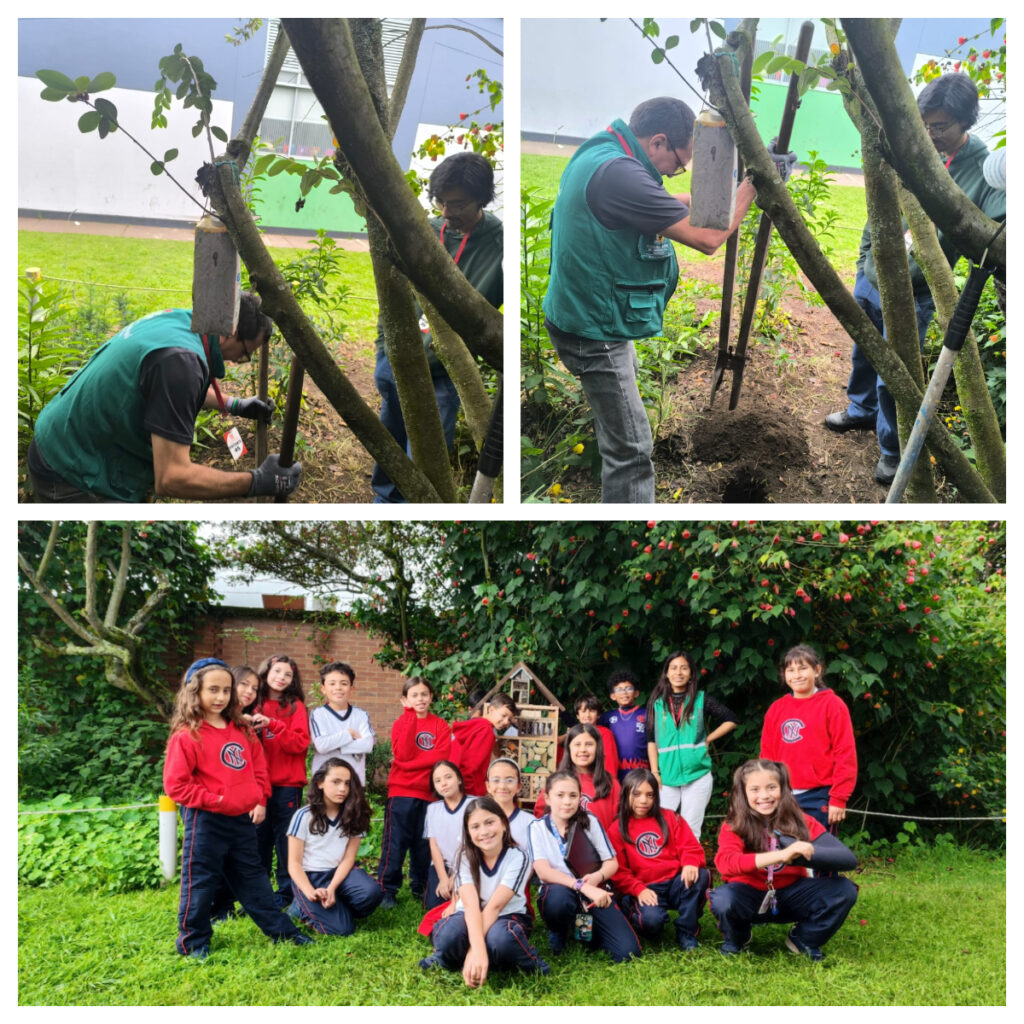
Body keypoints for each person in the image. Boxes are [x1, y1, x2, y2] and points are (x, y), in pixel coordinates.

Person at [542, 96, 760, 502]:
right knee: (632, 448)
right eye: (678, 164)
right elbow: (708, 239)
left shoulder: (605, 150)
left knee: (621, 426)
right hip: (595, 332)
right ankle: (627, 534)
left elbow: (662, 203)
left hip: (582, 312)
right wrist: (755, 185)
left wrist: (721, 199)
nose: (675, 173)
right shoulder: (620, 175)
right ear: (657, 141)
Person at [824, 73, 1007, 485]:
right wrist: (867, 254)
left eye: (939, 126)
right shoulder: (913, 146)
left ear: (966, 123)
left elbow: (1001, 228)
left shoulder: (983, 168)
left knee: (896, 370)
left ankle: (891, 447)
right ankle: (860, 409)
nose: (930, 133)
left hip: (916, 289)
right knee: (863, 347)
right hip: (874, 270)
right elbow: (881, 201)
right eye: (925, 124)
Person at [28, 291, 302, 502]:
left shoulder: (185, 323)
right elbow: (172, 477)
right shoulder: (180, 363)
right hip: (68, 470)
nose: (242, 361)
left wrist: (236, 405)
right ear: (231, 331)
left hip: (62, 438)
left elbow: (167, 390)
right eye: (245, 353)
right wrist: (257, 481)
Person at [372, 151, 503, 503]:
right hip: (399, 361)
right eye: (441, 202)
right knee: (391, 443)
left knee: (425, 460)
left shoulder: (500, 244)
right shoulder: (425, 232)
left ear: (483, 198)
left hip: (445, 377)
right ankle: (383, 502)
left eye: (457, 204)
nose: (446, 212)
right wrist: (385, 349)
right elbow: (390, 293)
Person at [162, 657, 310, 957]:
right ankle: (193, 942)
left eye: (226, 690)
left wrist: (256, 797)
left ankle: (283, 932)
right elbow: (176, 786)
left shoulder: (241, 729)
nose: (221, 697)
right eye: (212, 690)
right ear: (195, 692)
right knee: (201, 883)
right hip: (206, 820)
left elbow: (258, 769)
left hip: (241, 821)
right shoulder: (187, 734)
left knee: (254, 880)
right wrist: (216, 800)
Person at [709, 759, 858, 961]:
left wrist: (802, 855)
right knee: (722, 898)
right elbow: (726, 863)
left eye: (772, 787)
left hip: (791, 894)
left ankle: (803, 939)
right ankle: (737, 937)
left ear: (783, 789)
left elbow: (847, 859)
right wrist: (781, 854)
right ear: (743, 793)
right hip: (749, 895)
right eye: (754, 789)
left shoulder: (802, 821)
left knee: (844, 889)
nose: (764, 796)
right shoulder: (734, 825)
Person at [420, 797, 549, 985]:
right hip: (469, 914)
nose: (484, 832)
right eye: (476, 826)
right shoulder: (463, 856)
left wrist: (475, 951)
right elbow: (471, 907)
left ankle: (530, 963)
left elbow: (495, 908)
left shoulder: (518, 857)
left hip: (506, 916)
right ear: (468, 832)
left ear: (504, 824)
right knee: (448, 934)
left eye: (490, 822)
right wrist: (478, 948)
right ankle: (446, 958)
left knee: (501, 940)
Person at [528, 769, 641, 963]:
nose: (567, 801)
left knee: (628, 953)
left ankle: (581, 929)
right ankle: (559, 930)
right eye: (560, 795)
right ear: (547, 798)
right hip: (561, 892)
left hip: (593, 892)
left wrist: (596, 878)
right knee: (557, 900)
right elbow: (543, 872)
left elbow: (611, 863)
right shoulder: (537, 827)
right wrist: (581, 886)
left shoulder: (590, 822)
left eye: (573, 795)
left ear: (580, 797)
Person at [608, 768, 710, 951]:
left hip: (674, 884)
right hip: (645, 887)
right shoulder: (617, 828)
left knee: (701, 876)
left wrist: (690, 862)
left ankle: (686, 932)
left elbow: (690, 846)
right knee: (652, 924)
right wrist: (637, 890)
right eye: (636, 794)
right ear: (626, 794)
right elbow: (618, 871)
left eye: (650, 795)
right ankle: (633, 909)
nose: (643, 800)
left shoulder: (670, 817)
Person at [759, 644, 857, 831]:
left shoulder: (832, 705)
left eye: (803, 668)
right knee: (782, 853)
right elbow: (766, 756)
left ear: (817, 670)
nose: (796, 675)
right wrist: (767, 792)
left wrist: (839, 797)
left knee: (817, 855)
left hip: (819, 796)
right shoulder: (777, 708)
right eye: (791, 670)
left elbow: (845, 754)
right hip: (782, 795)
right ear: (784, 675)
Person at [645, 649, 739, 838]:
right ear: (667, 673)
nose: (678, 672)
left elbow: (731, 719)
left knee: (690, 829)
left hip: (697, 775)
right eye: (673, 668)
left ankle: (691, 867)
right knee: (663, 827)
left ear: (691, 674)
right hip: (667, 777)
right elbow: (651, 741)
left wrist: (708, 739)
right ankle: (668, 867)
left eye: (684, 668)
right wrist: (655, 773)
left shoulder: (700, 699)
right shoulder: (657, 704)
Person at [377, 677, 452, 909]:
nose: (420, 699)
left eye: (424, 694)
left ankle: (419, 886)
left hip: (429, 794)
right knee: (395, 842)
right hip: (401, 792)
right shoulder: (402, 723)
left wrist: (407, 765)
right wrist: (409, 717)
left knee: (423, 844)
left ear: (431, 697)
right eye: (414, 695)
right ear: (405, 700)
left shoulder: (440, 725)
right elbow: (404, 753)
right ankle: (387, 889)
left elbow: (441, 757)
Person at [286, 757, 382, 935]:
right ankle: (300, 908)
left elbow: (348, 858)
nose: (343, 789)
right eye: (336, 782)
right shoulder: (303, 816)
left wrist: (331, 889)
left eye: (347, 783)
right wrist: (310, 891)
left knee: (372, 893)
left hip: (340, 874)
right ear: (320, 783)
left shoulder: (354, 814)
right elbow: (294, 864)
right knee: (342, 929)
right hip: (311, 877)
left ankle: (332, 906)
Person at [209, 664, 269, 923]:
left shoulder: (249, 723)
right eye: (243, 684)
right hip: (212, 804)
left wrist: (260, 800)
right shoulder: (210, 721)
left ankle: (226, 905)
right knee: (214, 858)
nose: (249, 692)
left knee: (240, 857)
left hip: (243, 802)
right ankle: (214, 908)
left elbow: (259, 767)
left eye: (255, 688)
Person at [255, 654, 309, 906]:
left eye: (288, 674)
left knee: (286, 841)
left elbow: (300, 744)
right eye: (277, 671)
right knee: (258, 839)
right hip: (256, 785)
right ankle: (260, 892)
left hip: (287, 785)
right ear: (266, 671)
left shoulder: (295, 706)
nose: (281, 678)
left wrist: (274, 725)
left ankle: (287, 892)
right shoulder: (252, 703)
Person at [532, 723, 620, 832]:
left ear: (598, 747)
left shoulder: (611, 784)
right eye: (577, 744)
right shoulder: (556, 782)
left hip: (601, 846)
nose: (583, 749)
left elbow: (619, 823)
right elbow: (541, 816)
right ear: (569, 748)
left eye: (589, 744)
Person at [308, 661, 374, 785]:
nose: (338, 687)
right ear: (323, 689)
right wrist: (349, 735)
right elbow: (321, 746)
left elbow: (368, 744)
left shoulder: (361, 715)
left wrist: (335, 747)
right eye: (332, 684)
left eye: (344, 683)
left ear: (351, 688)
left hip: (354, 781)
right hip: (325, 781)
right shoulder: (318, 714)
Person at [424, 760, 471, 911]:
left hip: (470, 865)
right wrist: (444, 878)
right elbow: (434, 845)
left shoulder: (474, 805)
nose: (443, 783)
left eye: (448, 777)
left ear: (459, 779)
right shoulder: (432, 809)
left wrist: (456, 877)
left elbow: (476, 846)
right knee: (433, 904)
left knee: (466, 898)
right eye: (437, 781)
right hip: (444, 865)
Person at [451, 693, 518, 796]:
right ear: (491, 710)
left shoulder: (476, 724)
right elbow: (471, 766)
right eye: (503, 715)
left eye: (509, 719)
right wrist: (467, 794)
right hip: (469, 791)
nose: (506, 722)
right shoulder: (487, 731)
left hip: (457, 785)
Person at [599, 670, 649, 780]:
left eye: (629, 688)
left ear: (636, 693)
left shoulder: (646, 714)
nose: (624, 693)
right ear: (613, 696)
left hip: (641, 773)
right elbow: (588, 733)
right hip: (616, 774)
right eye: (619, 690)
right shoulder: (607, 717)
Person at [560, 694, 619, 778]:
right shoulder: (574, 733)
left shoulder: (605, 733)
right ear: (577, 715)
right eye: (583, 711)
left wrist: (609, 782)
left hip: (599, 780)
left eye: (592, 711)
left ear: (598, 715)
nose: (587, 715)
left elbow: (610, 762)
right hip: (576, 779)